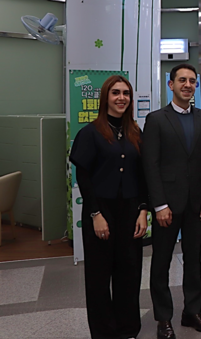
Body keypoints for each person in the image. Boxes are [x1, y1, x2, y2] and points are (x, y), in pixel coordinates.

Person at [143, 63, 201, 339]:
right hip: (167, 206)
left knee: (194, 260)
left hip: (197, 204)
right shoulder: (156, 119)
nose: (188, 85)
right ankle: (163, 318)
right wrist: (159, 205)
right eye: (182, 80)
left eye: (192, 81)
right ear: (171, 84)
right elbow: (150, 165)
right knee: (161, 262)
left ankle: (192, 312)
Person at [70, 75, 148, 339]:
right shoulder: (90, 133)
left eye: (126, 93)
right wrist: (95, 214)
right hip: (100, 211)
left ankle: (128, 330)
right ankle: (104, 333)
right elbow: (83, 176)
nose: (121, 98)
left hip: (131, 211)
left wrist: (143, 210)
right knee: (99, 276)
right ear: (105, 98)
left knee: (129, 273)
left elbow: (143, 175)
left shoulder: (135, 132)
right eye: (115, 93)